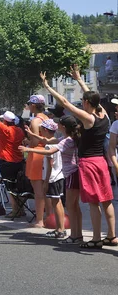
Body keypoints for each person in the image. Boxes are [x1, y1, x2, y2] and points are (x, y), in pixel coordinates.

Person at [41, 72, 116, 249]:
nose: (82, 103)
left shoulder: (88, 119)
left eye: (83, 100)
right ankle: (112, 236)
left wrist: (48, 87)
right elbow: (93, 97)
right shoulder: (103, 115)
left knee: (93, 202)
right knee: (106, 200)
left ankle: (96, 238)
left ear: (87, 103)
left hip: (89, 163)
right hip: (101, 162)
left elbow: (65, 103)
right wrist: (80, 80)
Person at [20, 119, 66, 238]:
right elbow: (44, 140)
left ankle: (60, 229)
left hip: (53, 178)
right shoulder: (54, 141)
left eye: (41, 129)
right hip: (58, 176)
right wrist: (32, 133)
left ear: (45, 130)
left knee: (57, 203)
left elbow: (50, 164)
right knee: (57, 203)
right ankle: (59, 228)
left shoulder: (50, 145)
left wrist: (46, 181)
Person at [24, 94, 48, 228]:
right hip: (46, 153)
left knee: (38, 190)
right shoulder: (46, 118)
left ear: (33, 105)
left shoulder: (35, 121)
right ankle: (49, 216)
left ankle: (40, 220)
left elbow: (34, 141)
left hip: (36, 154)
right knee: (46, 188)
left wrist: (27, 141)